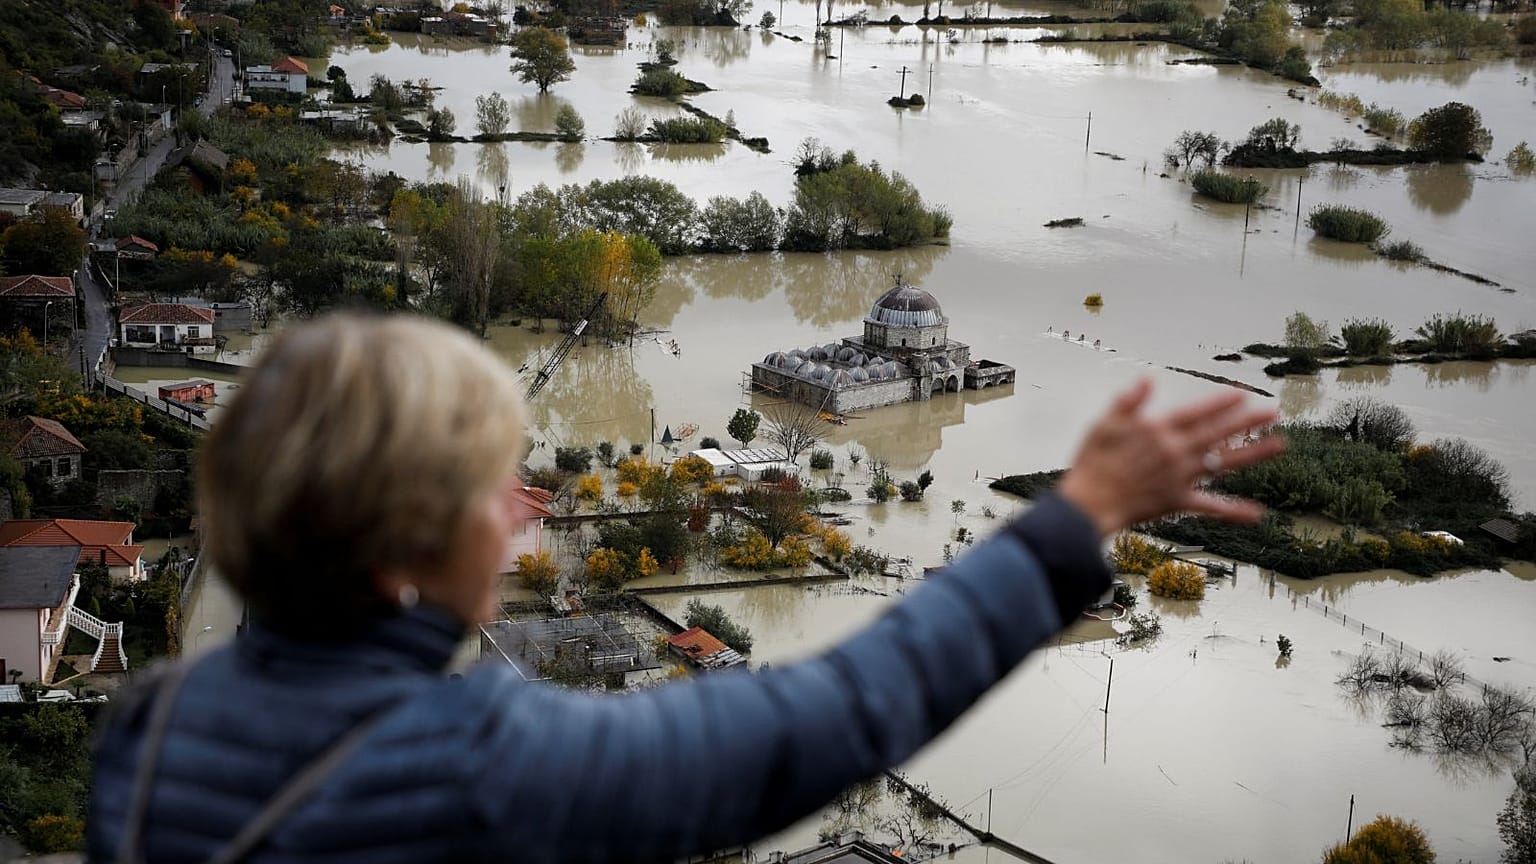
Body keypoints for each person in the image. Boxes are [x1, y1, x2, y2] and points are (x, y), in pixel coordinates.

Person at [87, 314, 1282, 864]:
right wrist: (1075, 523)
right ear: (418, 536)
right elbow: (839, 713)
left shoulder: (148, 730)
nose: (521, 515)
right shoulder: (479, 761)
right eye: (495, 488)